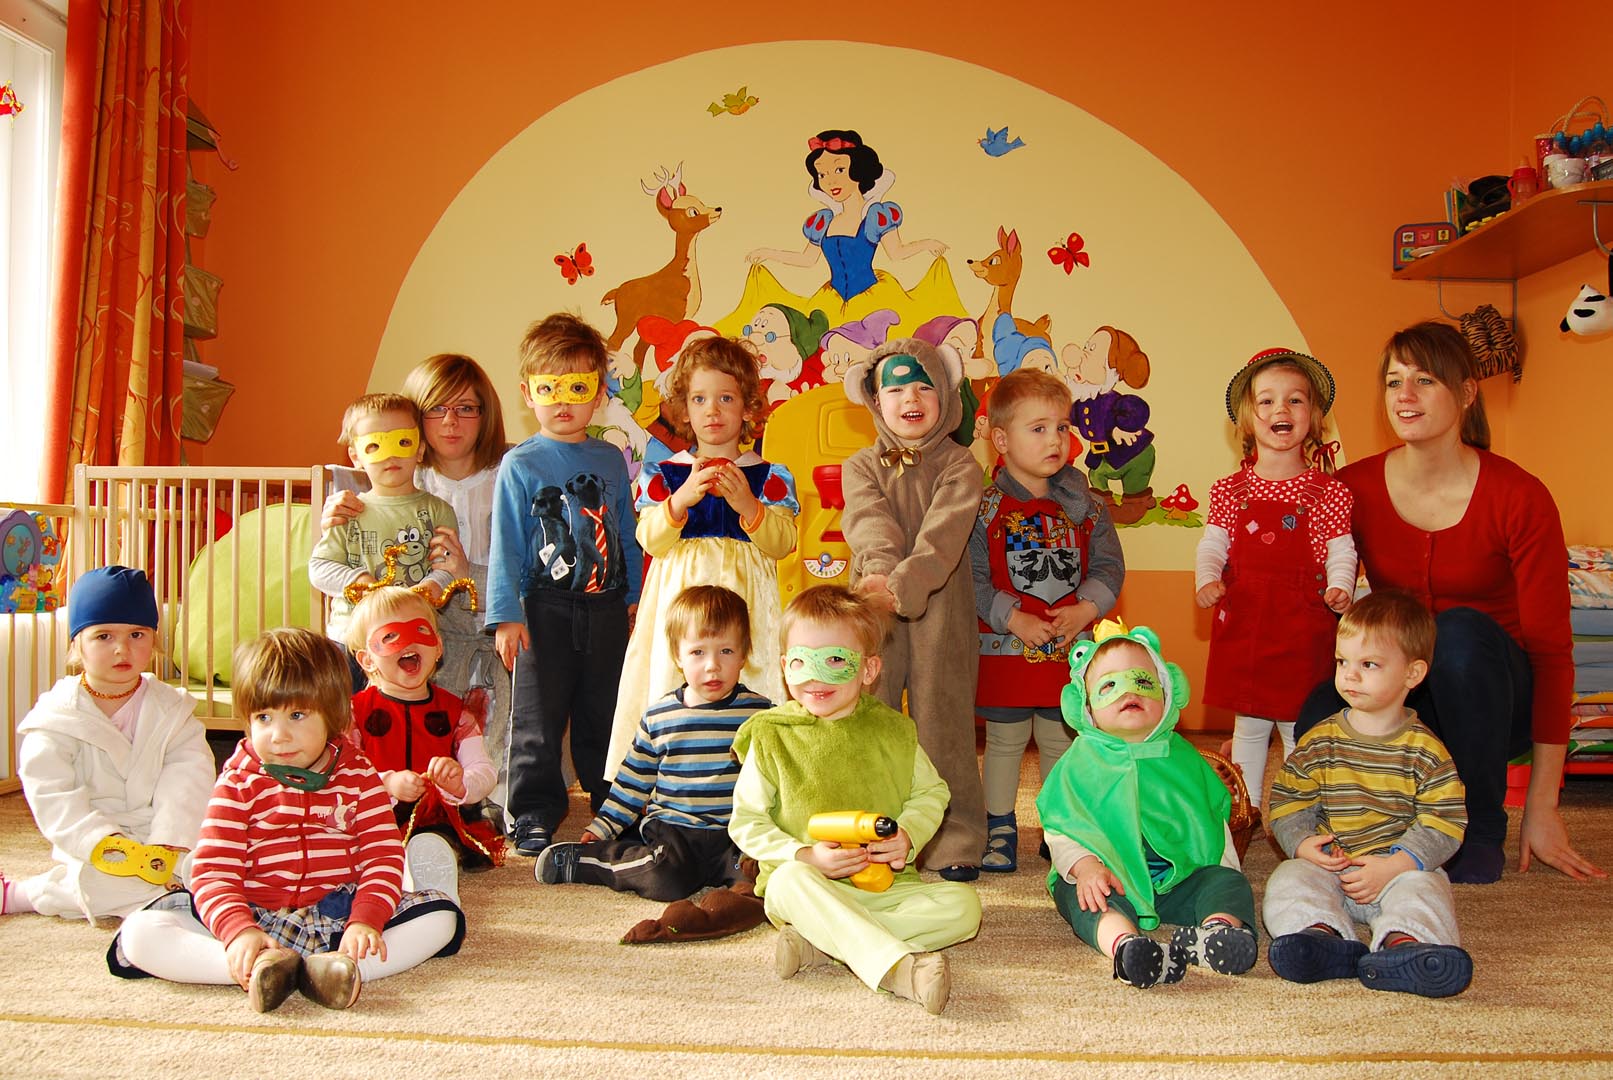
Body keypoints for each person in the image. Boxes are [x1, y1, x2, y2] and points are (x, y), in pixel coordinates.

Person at [1296, 321, 1604, 884]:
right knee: (1320, 707)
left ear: (1465, 393)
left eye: (1425, 380)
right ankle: (1368, 827)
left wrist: (1543, 806)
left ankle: (1479, 827)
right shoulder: (1353, 488)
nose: (1405, 395)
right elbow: (1318, 605)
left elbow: (1552, 654)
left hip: (1496, 699)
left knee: (1457, 633)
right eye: (1394, 382)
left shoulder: (1520, 496)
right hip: (1410, 694)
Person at [110, 628, 465, 1013]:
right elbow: (214, 871)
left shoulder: (360, 776)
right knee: (139, 933)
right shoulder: (238, 781)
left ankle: (335, 971)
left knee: (442, 918)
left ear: (333, 714)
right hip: (255, 918)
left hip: (340, 919)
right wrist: (238, 932)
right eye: (264, 717)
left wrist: (366, 921)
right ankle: (260, 970)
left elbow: (382, 857)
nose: (278, 736)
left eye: (297, 715)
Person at [728, 585, 982, 1015]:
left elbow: (932, 791)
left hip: (886, 888)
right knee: (787, 882)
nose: (816, 677)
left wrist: (907, 836)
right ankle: (897, 969)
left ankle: (824, 942)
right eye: (801, 661)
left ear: (868, 670)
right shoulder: (771, 735)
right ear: (785, 668)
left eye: (834, 661)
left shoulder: (894, 731)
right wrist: (804, 855)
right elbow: (746, 821)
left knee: (965, 908)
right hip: (808, 887)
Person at [322, 354, 513, 823]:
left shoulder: (506, 475)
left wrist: (464, 575)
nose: (450, 422)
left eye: (466, 408)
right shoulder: (396, 478)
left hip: (491, 617)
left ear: (485, 414)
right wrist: (334, 519)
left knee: (489, 721)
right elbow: (336, 556)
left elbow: (518, 570)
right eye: (436, 409)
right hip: (417, 631)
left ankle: (487, 792)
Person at [604, 335, 798, 780]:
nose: (712, 411)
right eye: (699, 399)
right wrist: (681, 500)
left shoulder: (769, 475)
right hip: (679, 599)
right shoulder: (666, 473)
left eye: (725, 398)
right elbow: (650, 539)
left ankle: (751, 782)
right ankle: (669, 780)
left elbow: (782, 543)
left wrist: (749, 505)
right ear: (685, 410)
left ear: (748, 408)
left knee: (748, 682)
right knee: (673, 679)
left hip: (747, 603)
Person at [486, 312, 644, 857]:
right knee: (539, 716)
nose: (562, 402)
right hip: (543, 609)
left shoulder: (609, 459)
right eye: (549, 388)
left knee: (605, 711)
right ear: (528, 393)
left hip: (605, 608)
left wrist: (633, 599)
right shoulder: (520, 464)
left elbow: (625, 531)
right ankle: (532, 812)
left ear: (598, 395)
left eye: (577, 388)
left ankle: (612, 805)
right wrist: (507, 615)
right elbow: (506, 542)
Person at [1264, 590, 1474, 998]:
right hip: (1332, 867)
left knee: (1428, 889)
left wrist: (1397, 864)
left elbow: (1444, 820)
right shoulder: (1320, 741)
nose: (1350, 675)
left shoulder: (1426, 752)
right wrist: (1303, 844)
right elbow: (1289, 799)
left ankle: (1406, 945)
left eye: (1368, 664)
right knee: (1288, 878)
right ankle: (1319, 936)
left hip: (1399, 870)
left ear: (1412, 674)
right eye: (1342, 662)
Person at [537, 586, 771, 936]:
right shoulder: (661, 716)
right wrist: (603, 826)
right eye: (698, 652)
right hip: (676, 829)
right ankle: (589, 860)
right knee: (666, 879)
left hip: (734, 833)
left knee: (759, 879)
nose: (712, 665)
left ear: (744, 655)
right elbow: (633, 782)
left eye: (726, 651)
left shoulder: (760, 714)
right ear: (678, 656)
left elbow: (776, 776)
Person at [1038, 622, 1258, 989]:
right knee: (1083, 896)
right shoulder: (1079, 764)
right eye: (1109, 686)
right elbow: (1062, 825)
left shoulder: (1184, 758)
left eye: (1142, 681)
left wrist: (1221, 870)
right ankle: (1125, 945)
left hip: (1179, 881)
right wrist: (1086, 866)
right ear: (1087, 708)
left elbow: (1210, 819)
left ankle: (1217, 932)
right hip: (1110, 877)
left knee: (1228, 882)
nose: (1128, 692)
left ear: (1167, 692)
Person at [841, 337, 987, 879]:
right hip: (873, 600)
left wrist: (904, 583)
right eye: (896, 389)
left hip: (941, 602)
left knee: (943, 716)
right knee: (867, 710)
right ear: (875, 401)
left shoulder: (961, 464)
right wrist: (881, 577)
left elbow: (943, 536)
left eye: (925, 387)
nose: (912, 398)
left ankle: (954, 836)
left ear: (946, 395)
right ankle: (865, 828)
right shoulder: (860, 465)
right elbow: (868, 522)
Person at [970, 368, 1125, 872]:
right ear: (1001, 440)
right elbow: (972, 578)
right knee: (1005, 740)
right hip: (1006, 651)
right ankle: (999, 827)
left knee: (1061, 738)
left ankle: (1059, 828)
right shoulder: (982, 509)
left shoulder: (1088, 508)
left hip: (1066, 651)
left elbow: (1109, 567)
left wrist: (1086, 609)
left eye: (1061, 427)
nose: (1055, 439)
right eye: (1038, 428)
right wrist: (1012, 618)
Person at [2, 567, 214, 921]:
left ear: (154, 639)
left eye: (136, 634)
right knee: (103, 882)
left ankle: (166, 895)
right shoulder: (58, 716)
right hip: (99, 845)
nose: (122, 649)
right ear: (77, 644)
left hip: (164, 839)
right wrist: (102, 841)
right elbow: (53, 792)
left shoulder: (173, 710)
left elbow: (189, 778)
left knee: (221, 869)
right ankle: (26, 894)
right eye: (103, 636)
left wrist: (167, 841)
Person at [1197, 349, 1355, 809]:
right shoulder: (1229, 490)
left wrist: (1341, 585)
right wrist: (1207, 577)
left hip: (1303, 628)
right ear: (1248, 419)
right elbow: (1213, 543)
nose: (1280, 409)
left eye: (1295, 400)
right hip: (1247, 623)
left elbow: (1342, 549)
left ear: (1314, 416)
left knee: (1299, 726)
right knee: (1248, 725)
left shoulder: (1329, 492)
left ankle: (1296, 812)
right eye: (1266, 401)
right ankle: (1246, 810)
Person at [719, 129, 967, 336]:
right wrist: (768, 253)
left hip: (872, 299)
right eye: (822, 174)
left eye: (839, 170)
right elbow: (807, 259)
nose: (830, 181)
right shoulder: (824, 221)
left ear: (858, 171)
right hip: (831, 300)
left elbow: (896, 252)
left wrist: (926, 244)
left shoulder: (875, 215)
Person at [308, 392, 468, 677]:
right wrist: (358, 579)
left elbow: (447, 567)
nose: (391, 455)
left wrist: (433, 585)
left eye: (402, 442)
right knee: (347, 707)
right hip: (350, 640)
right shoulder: (348, 510)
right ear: (356, 456)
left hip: (412, 641)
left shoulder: (438, 511)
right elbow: (319, 568)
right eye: (375, 445)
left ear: (420, 450)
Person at [346, 587, 501, 869]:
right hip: (373, 817)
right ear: (367, 659)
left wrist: (460, 784)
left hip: (435, 820)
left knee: (438, 840)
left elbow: (485, 771)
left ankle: (426, 860)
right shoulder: (354, 714)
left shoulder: (456, 713)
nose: (409, 643)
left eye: (420, 630)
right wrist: (387, 784)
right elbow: (342, 776)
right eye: (390, 636)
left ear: (438, 647)